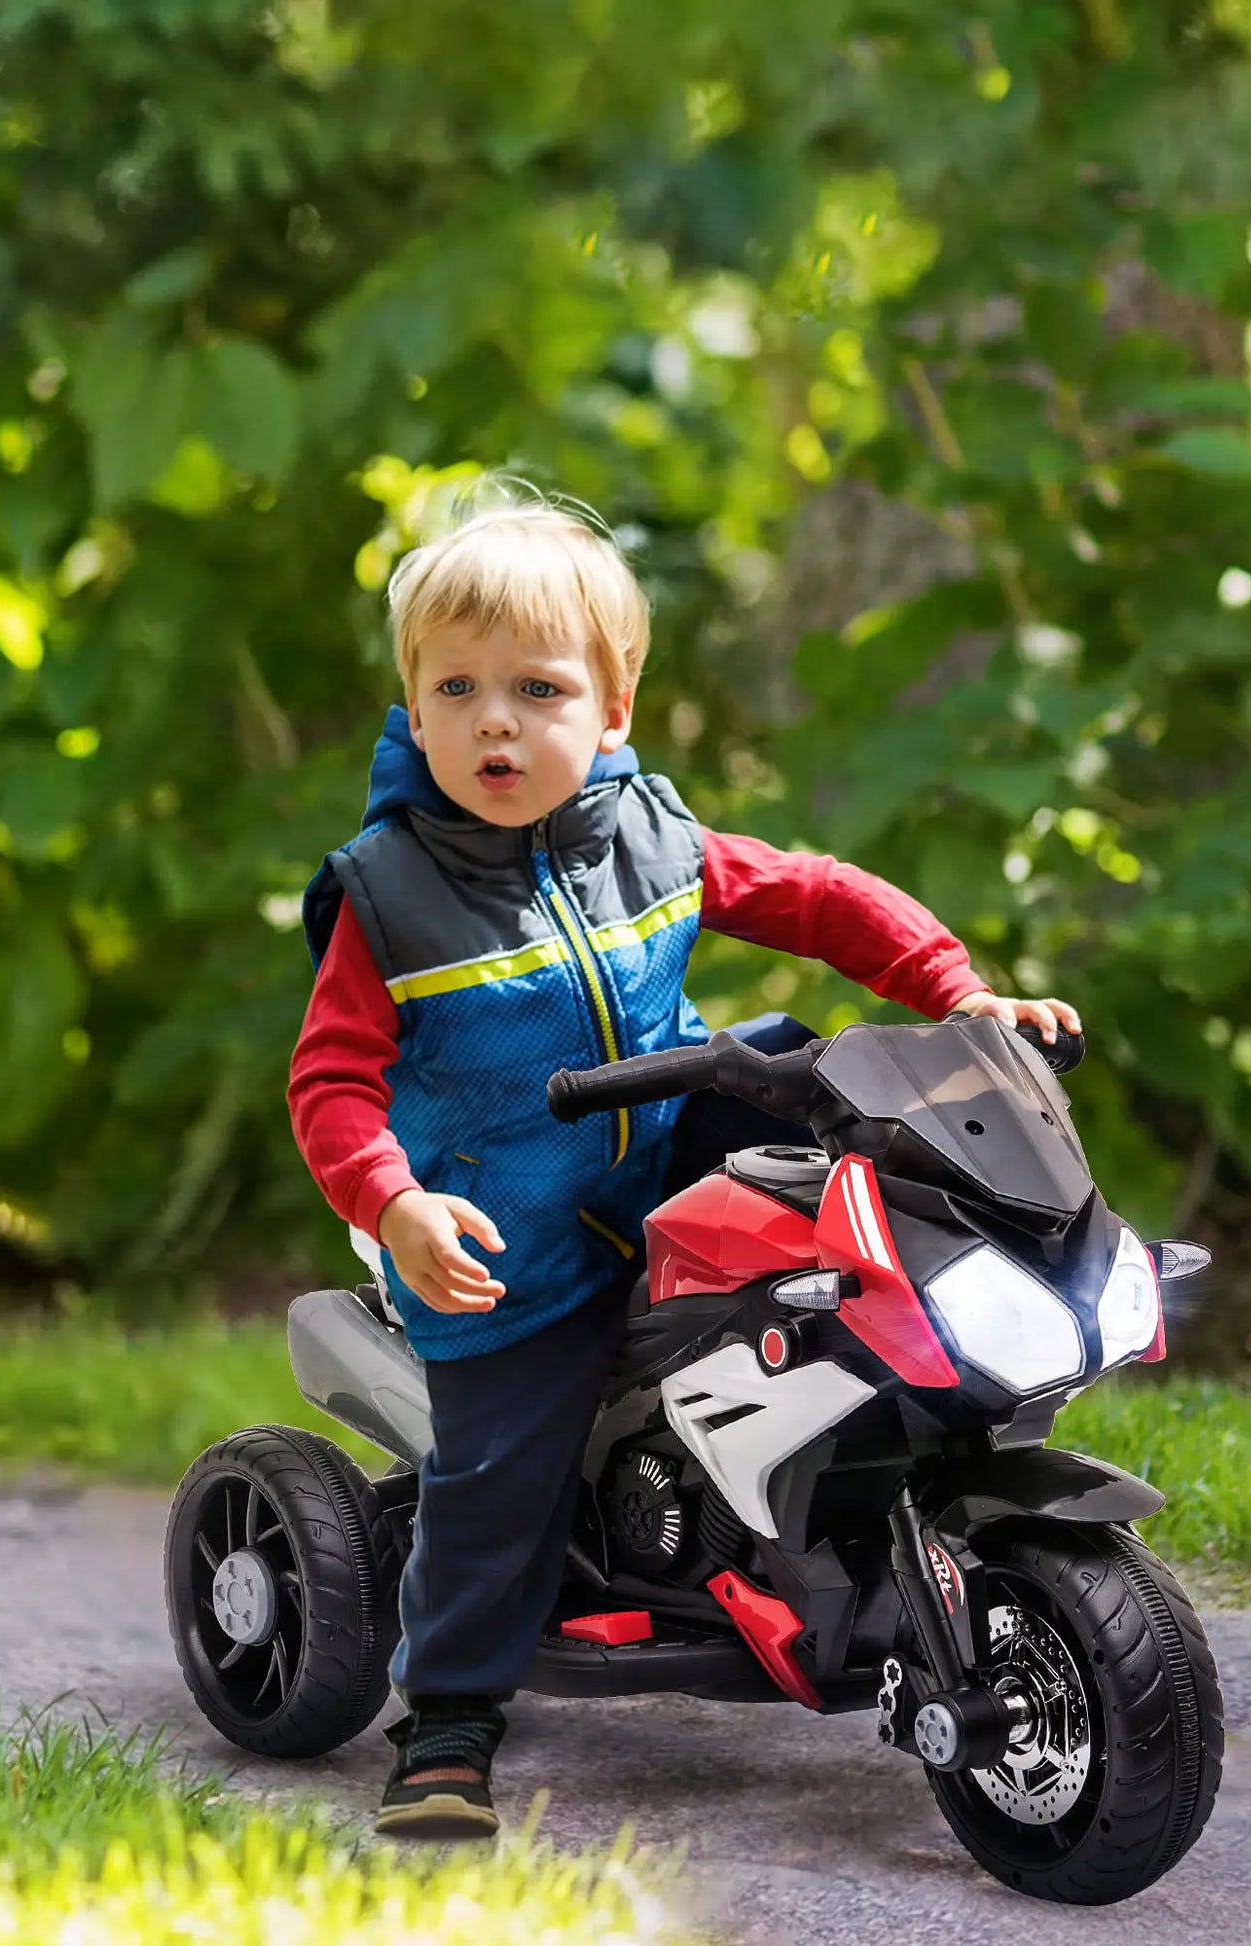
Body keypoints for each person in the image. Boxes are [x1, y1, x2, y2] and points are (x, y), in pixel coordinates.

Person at [289, 493, 1079, 1839]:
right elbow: (331, 1085)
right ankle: (448, 1724)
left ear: (612, 707)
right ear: (412, 709)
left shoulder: (649, 834)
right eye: (456, 689)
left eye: (537, 689)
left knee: (826, 1112)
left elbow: (818, 898)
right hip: (509, 1234)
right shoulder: (388, 894)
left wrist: (959, 996)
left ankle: (864, 1478)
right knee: (503, 1470)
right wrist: (396, 1200)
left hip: (668, 1154)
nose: (493, 723)